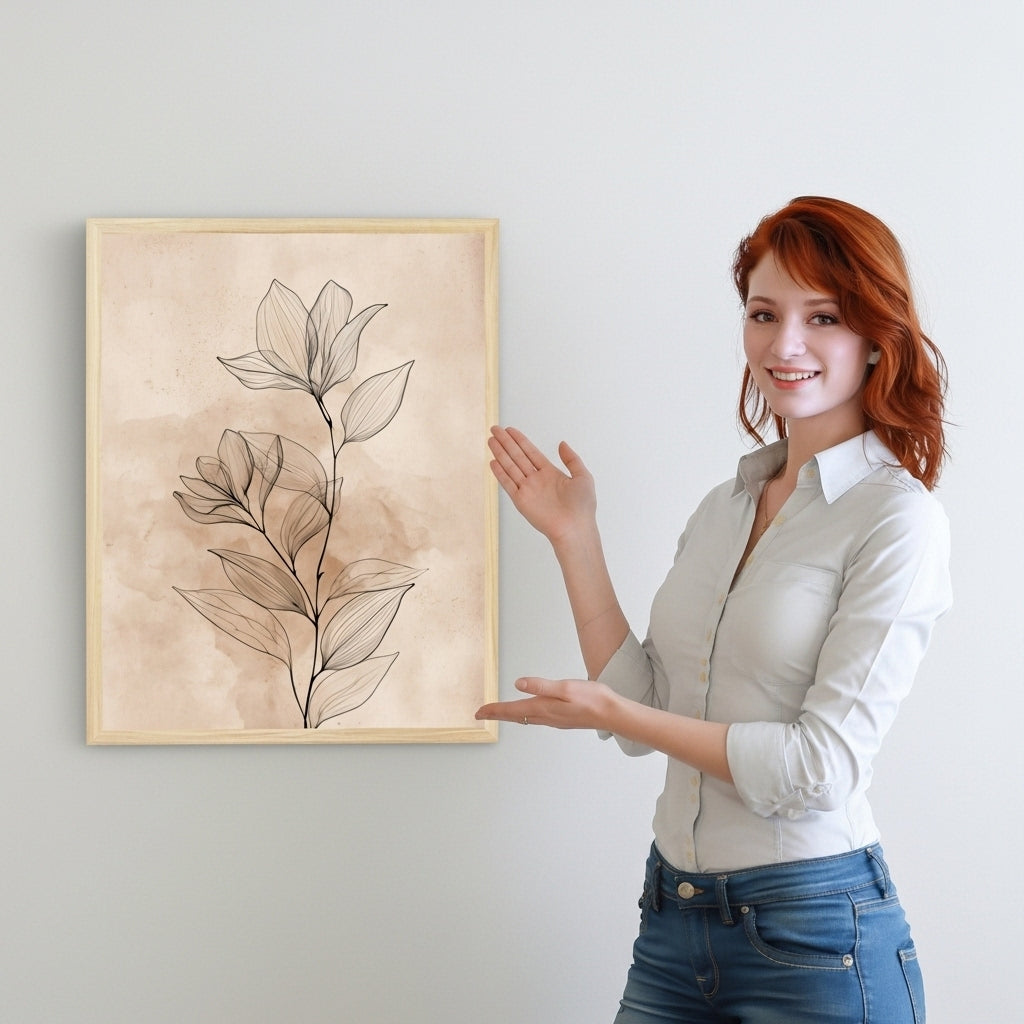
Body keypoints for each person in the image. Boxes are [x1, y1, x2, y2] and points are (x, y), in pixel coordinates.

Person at [475, 196, 951, 1023]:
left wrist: (615, 709)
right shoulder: (725, 505)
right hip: (671, 924)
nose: (784, 344)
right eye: (764, 314)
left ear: (878, 338)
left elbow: (819, 769)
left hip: (815, 939)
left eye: (823, 316)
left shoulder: (895, 519)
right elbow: (640, 716)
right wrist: (574, 537)